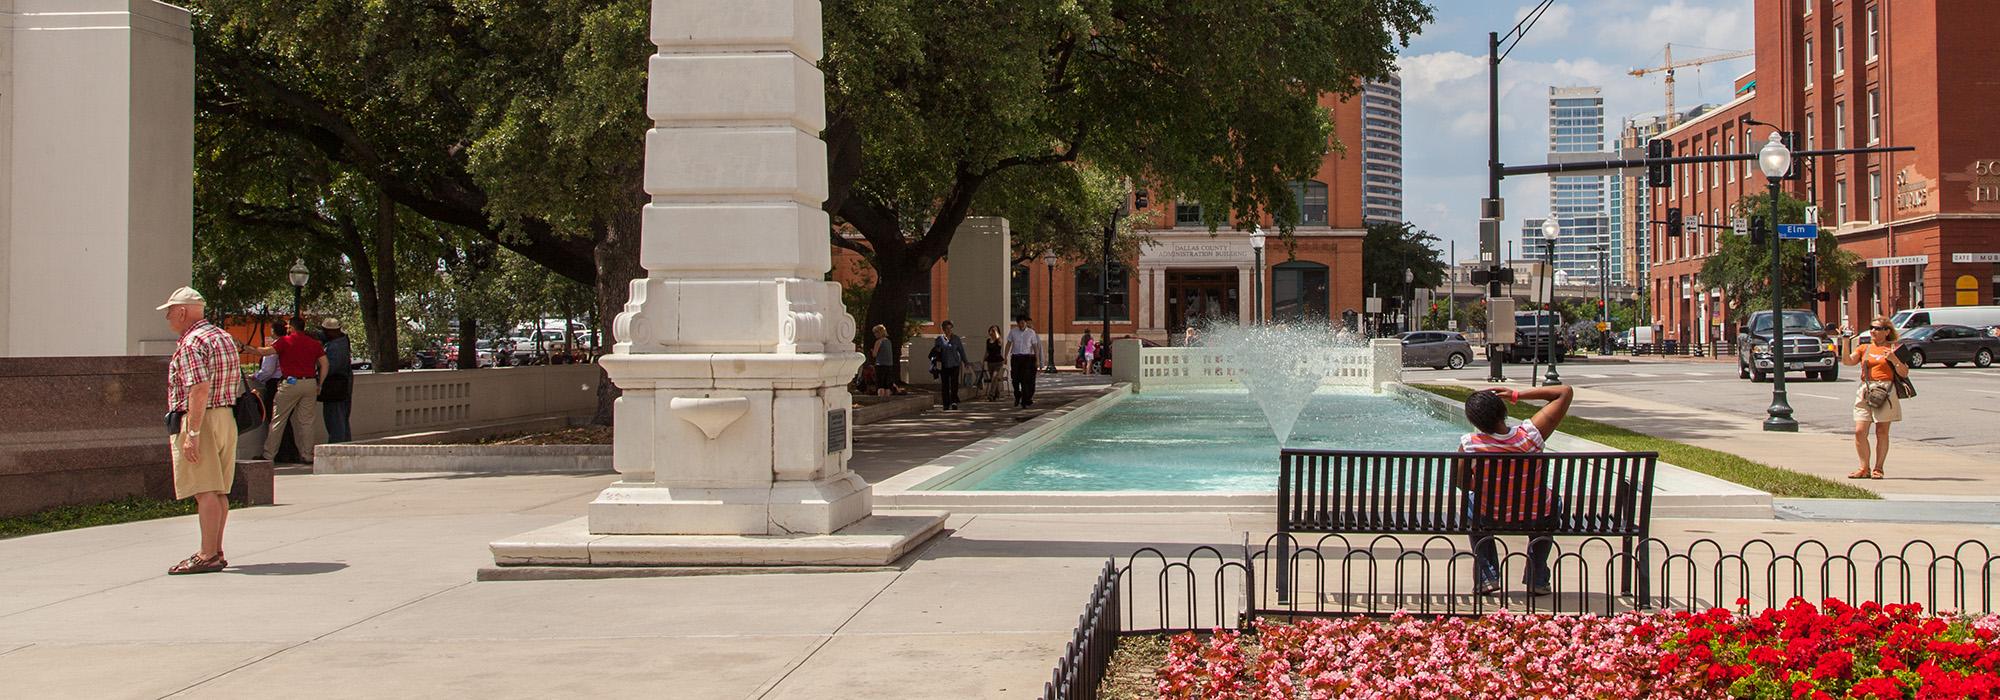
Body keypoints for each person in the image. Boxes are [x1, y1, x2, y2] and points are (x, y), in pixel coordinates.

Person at [1458, 384, 1575, 596]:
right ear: (1503, 411)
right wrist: (1515, 394)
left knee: (1471, 504)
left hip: (1490, 516)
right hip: (1537, 515)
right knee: (1552, 502)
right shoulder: (1530, 436)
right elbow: (1564, 392)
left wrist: (1487, 490)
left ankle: (1487, 576)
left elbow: (1462, 483)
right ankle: (1537, 578)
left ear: (1475, 421)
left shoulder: (1470, 445)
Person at [158, 287, 242, 575]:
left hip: (201, 419)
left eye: (169, 312)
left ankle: (207, 554)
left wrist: (191, 433)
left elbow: (199, 386)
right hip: (225, 417)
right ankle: (215, 550)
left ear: (182, 311)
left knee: (204, 489)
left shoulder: (191, 342)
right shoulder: (223, 337)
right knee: (218, 489)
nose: (168, 318)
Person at [243, 317, 329, 464]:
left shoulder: (285, 341)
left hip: (290, 382)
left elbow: (265, 352)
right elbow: (325, 364)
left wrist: (246, 348)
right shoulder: (314, 344)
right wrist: (319, 384)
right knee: (306, 422)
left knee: (278, 420)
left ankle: (269, 454)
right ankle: (307, 454)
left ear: (292, 328)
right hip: (309, 382)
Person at [1842, 320, 1910, 479]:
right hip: (1866, 389)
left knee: (1881, 431)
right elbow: (1847, 361)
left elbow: (1904, 373)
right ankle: (1863, 468)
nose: (1873, 331)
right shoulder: (1864, 348)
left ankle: (1878, 468)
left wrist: (1894, 359)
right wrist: (1845, 341)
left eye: (1878, 328)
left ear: (1887, 331)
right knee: (1859, 431)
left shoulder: (1895, 348)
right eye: (1871, 327)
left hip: (1886, 390)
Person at [318, 318, 355, 444]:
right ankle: (345, 444)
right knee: (342, 418)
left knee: (335, 419)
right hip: (343, 385)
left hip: (336, 386)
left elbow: (331, 367)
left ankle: (337, 446)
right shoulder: (343, 341)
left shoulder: (336, 346)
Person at [929, 320, 968, 410]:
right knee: (945, 385)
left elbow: (961, 351)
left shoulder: (956, 339)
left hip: (955, 364)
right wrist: (937, 351)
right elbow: (935, 352)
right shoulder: (939, 339)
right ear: (943, 329)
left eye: (950, 328)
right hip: (944, 364)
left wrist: (966, 362)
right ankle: (946, 403)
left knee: (954, 384)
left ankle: (954, 401)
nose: (949, 330)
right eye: (947, 328)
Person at [252, 320, 287, 419]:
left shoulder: (274, 347)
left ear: (273, 331)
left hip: (275, 383)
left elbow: (268, 370)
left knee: (273, 415)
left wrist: (257, 376)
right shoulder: (291, 345)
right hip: (289, 381)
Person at [1004, 314, 1042, 407]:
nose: (1021, 325)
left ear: (1025, 322)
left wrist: (1037, 359)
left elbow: (1035, 347)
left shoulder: (1031, 332)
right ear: (1017, 323)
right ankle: (1017, 395)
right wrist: (1005, 356)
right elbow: (1008, 344)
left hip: (1027, 358)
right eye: (1019, 323)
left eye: (1023, 323)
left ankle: (1024, 401)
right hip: (1016, 357)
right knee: (1015, 379)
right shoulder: (1013, 332)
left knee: (1025, 380)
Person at [869, 324, 898, 397]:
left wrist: (872, 351)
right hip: (889, 365)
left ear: (879, 333)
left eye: (875, 333)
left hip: (880, 364)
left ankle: (880, 398)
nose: (875, 335)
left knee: (880, 385)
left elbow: (874, 354)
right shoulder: (888, 341)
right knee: (887, 385)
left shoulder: (878, 342)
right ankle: (887, 400)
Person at [983, 325, 1007, 401]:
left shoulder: (999, 340)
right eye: (991, 330)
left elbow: (1000, 342)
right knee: (994, 379)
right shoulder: (988, 341)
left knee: (994, 377)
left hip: (998, 362)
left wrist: (996, 331)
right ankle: (997, 395)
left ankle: (991, 395)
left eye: (994, 331)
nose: (992, 332)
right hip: (990, 362)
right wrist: (984, 360)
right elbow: (987, 351)